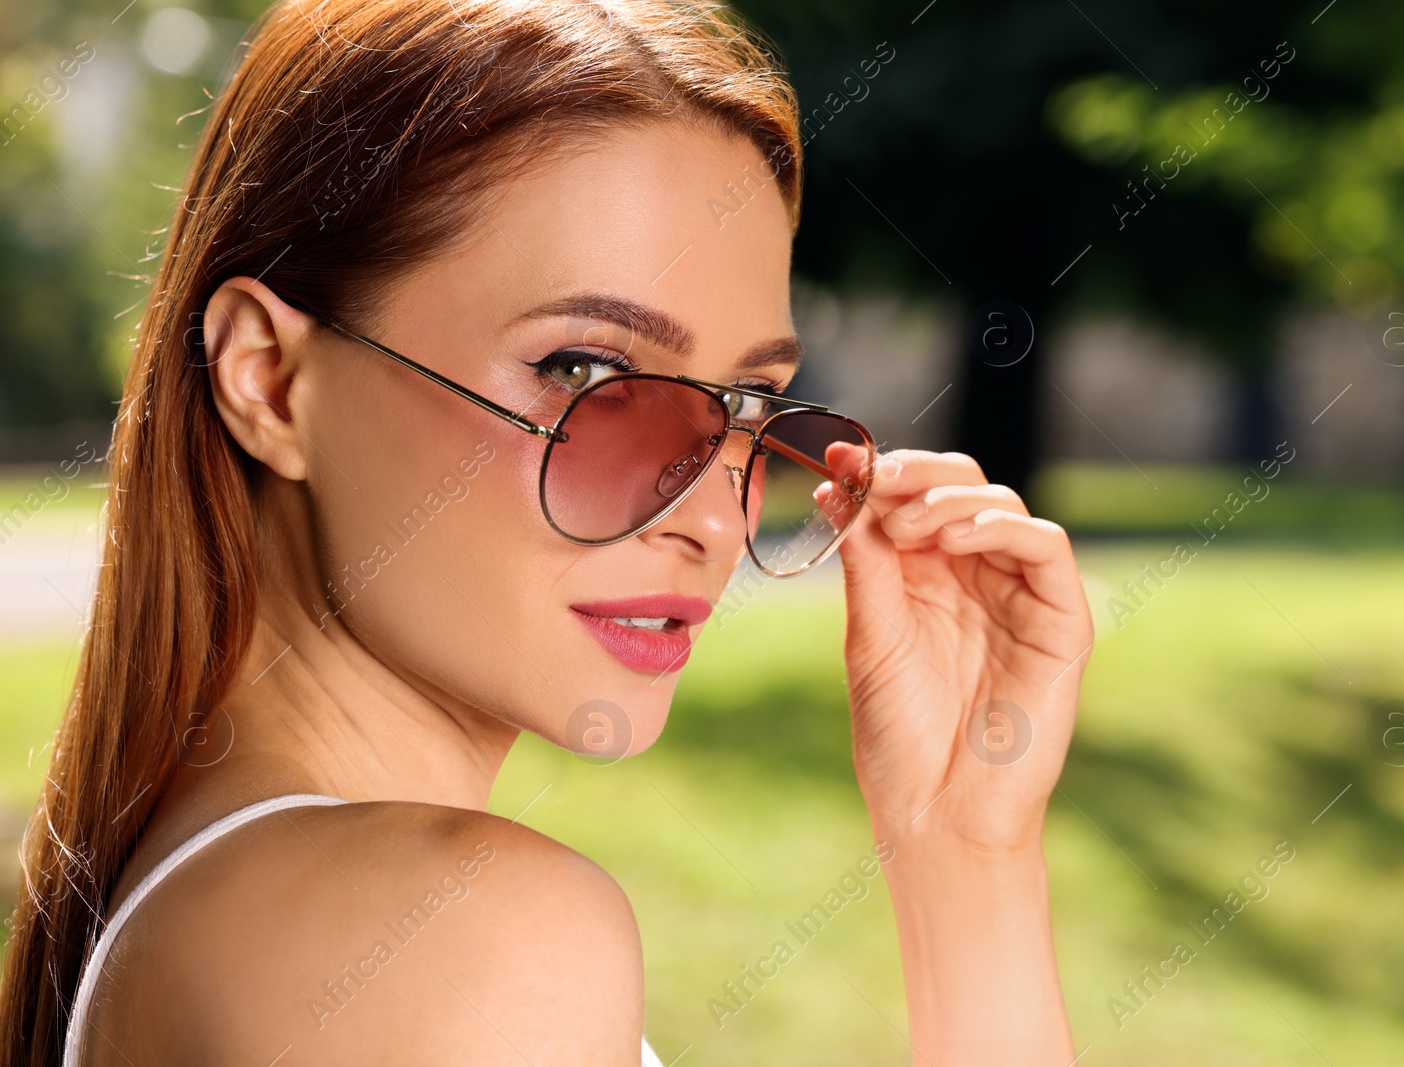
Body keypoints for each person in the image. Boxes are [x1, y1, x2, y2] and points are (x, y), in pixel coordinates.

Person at [0, 1, 1094, 1063]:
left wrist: (963, 851)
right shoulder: (458, 937)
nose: (713, 514)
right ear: (270, 380)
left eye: (748, 403)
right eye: (587, 372)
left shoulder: (230, 905)